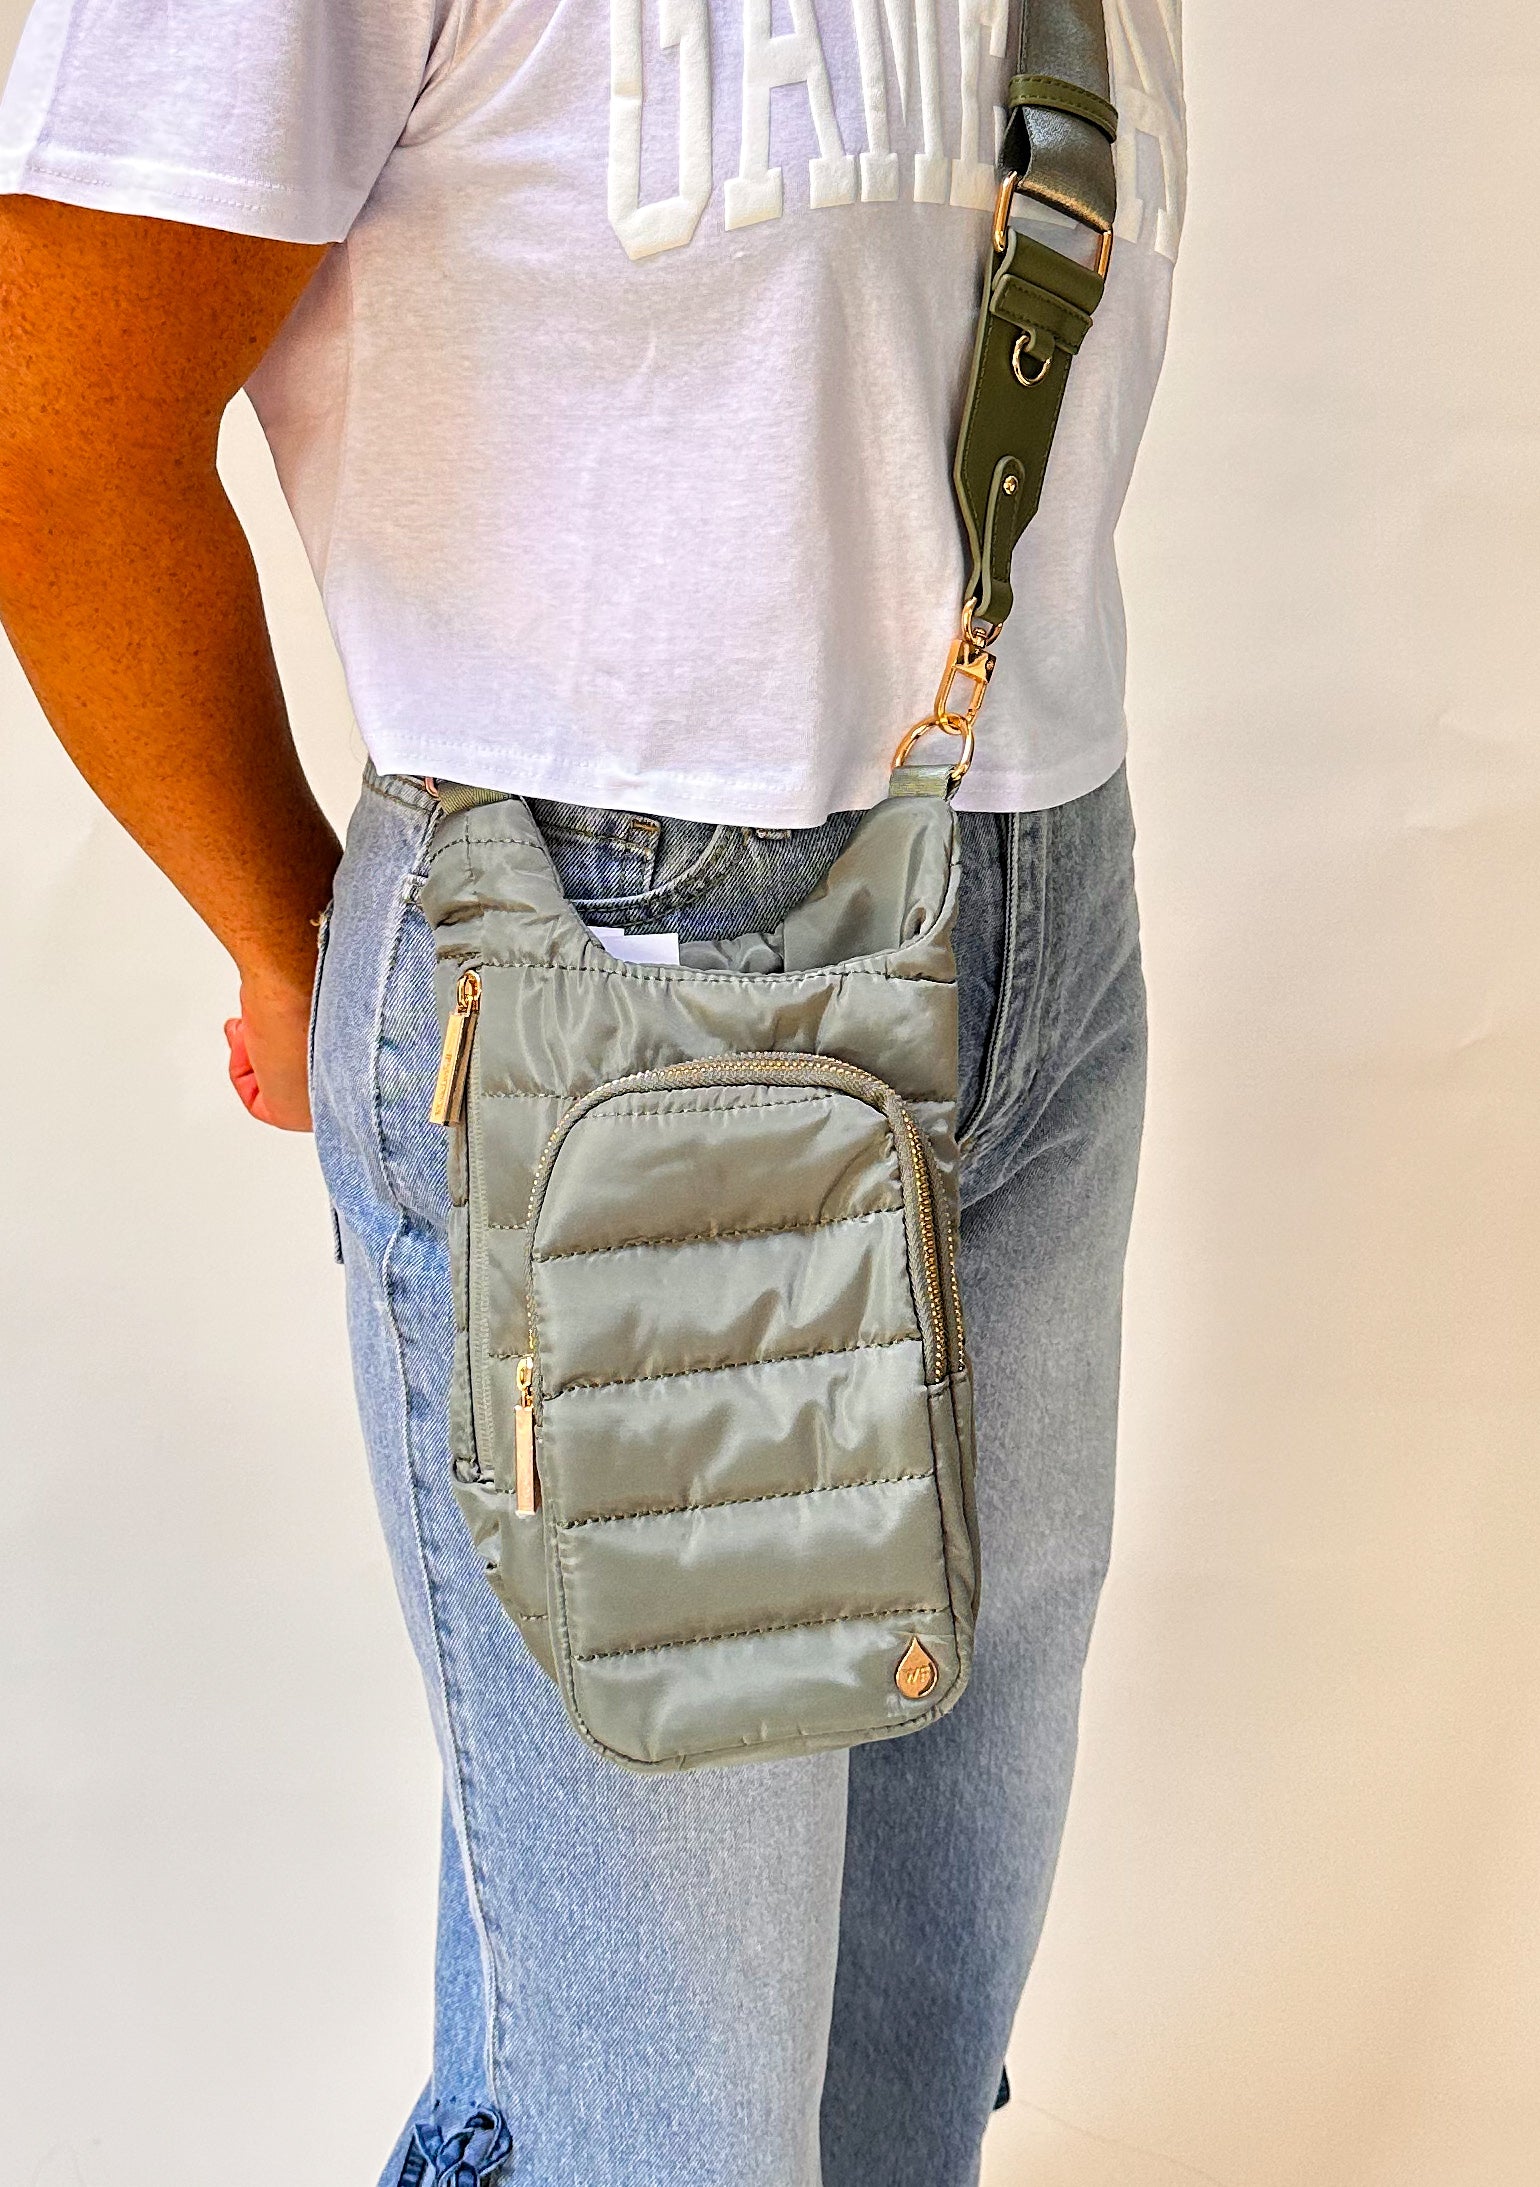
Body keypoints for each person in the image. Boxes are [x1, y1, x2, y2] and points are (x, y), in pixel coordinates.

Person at [0, 4, 1185, 2181]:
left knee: (904, 2068)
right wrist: (297, 937)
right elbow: (55, 427)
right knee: (667, 2134)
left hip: (1038, 896)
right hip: (619, 976)